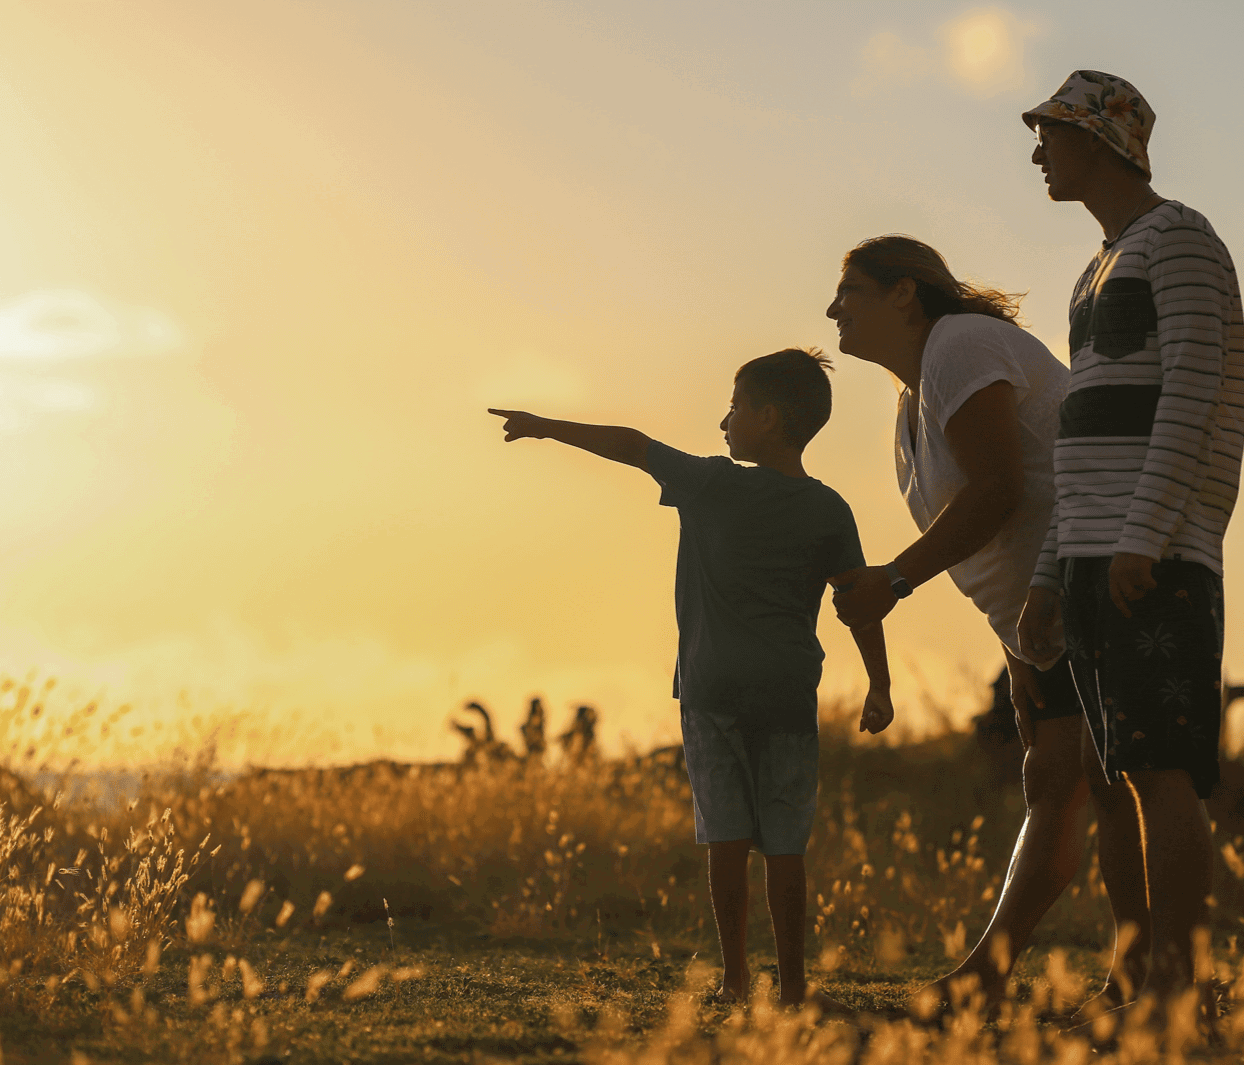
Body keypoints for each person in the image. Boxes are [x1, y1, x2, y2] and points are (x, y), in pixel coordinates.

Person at [488, 348, 894, 1008]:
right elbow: (857, 600)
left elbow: (633, 445)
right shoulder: (830, 509)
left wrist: (547, 425)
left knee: (725, 837)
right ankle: (792, 986)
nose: (725, 419)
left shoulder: (712, 483)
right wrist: (880, 683)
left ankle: (736, 981)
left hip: (711, 691)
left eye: (735, 406)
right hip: (789, 693)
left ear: (766, 417)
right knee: (785, 846)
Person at [825, 236, 1147, 1014]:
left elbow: (1000, 489)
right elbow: (1001, 529)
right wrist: (1017, 653)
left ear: (906, 293)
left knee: (1100, 782)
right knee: (1069, 782)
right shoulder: (915, 401)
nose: (834, 309)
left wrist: (894, 579)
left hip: (1098, 575)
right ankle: (1126, 970)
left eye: (851, 291)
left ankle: (1043, 974)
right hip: (1045, 610)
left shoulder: (960, 346)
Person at [1016, 70, 1244, 1007]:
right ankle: (1133, 974)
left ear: (1104, 144)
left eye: (1053, 133)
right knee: (1113, 777)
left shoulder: (1182, 240)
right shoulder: (1096, 267)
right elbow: (1080, 436)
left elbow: (1195, 393)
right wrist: (1047, 572)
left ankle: (1176, 992)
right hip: (1090, 558)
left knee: (1161, 770)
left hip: (1153, 557)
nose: (1038, 150)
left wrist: (1145, 536)